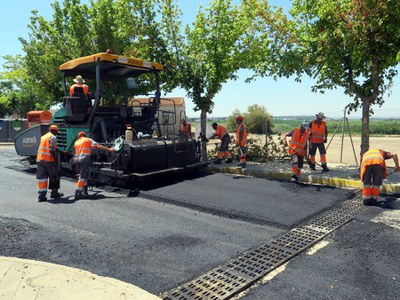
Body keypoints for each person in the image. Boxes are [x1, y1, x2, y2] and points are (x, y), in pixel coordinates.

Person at [73, 131, 115, 200]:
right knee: (83, 176)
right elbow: (98, 146)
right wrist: (109, 149)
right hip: (84, 159)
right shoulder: (87, 140)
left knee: (82, 175)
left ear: (79, 136)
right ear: (84, 135)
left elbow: (75, 153)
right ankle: (78, 193)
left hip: (77, 160)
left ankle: (85, 191)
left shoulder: (76, 142)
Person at [36, 124, 63, 202]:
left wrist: (62, 152)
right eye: (56, 132)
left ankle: (41, 195)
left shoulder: (43, 137)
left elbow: (52, 148)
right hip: (48, 160)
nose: (56, 133)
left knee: (42, 178)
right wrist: (54, 160)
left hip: (40, 159)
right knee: (54, 176)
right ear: (54, 131)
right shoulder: (53, 137)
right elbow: (51, 150)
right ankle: (54, 193)